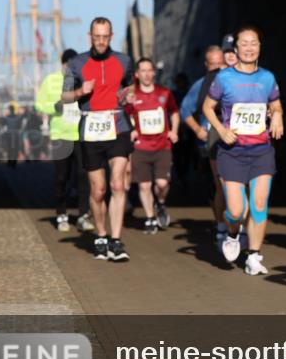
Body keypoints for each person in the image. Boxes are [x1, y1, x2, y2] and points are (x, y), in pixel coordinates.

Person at [203, 26, 283, 276]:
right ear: (236, 49)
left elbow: (276, 104)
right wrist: (221, 130)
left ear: (259, 47)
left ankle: (254, 255)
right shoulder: (224, 78)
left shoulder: (268, 77)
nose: (249, 48)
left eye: (254, 43)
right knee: (236, 211)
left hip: (261, 151)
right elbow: (207, 107)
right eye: (244, 43)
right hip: (232, 151)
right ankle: (233, 233)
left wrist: (278, 116)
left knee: (259, 204)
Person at [62, 16, 135, 262]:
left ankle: (116, 239)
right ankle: (101, 235)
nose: (101, 41)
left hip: (118, 126)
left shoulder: (124, 61)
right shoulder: (77, 63)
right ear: (90, 36)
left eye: (105, 37)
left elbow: (129, 87)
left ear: (111, 37)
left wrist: (128, 95)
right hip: (92, 128)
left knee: (117, 184)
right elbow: (64, 96)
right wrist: (81, 92)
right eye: (97, 37)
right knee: (98, 190)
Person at [35, 49, 92, 232]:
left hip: (81, 135)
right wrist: (55, 106)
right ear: (63, 64)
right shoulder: (51, 80)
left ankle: (83, 215)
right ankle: (61, 214)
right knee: (62, 177)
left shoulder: (82, 80)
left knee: (84, 176)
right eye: (70, 65)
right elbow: (39, 104)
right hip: (60, 135)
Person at [124, 58, 180, 234]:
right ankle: (149, 219)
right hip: (141, 147)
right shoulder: (132, 96)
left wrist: (175, 130)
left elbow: (175, 112)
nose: (147, 74)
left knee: (162, 184)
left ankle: (160, 203)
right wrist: (131, 130)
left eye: (150, 70)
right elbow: (124, 116)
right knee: (144, 186)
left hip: (163, 145)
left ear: (154, 73)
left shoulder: (164, 93)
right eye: (143, 71)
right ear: (137, 74)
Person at [181, 42, 230, 244]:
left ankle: (234, 225)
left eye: (221, 63)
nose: (218, 68)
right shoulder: (200, 85)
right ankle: (220, 224)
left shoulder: (232, 82)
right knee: (215, 187)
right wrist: (197, 129)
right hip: (207, 144)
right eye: (213, 64)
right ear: (206, 65)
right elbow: (185, 110)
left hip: (230, 139)